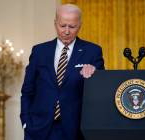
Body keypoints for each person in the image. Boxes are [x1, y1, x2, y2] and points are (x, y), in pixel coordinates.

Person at [20, 4, 105, 140]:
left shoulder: (93, 52)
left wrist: (95, 75)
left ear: (80, 25)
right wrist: (26, 122)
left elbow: (99, 94)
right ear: (55, 23)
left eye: (72, 27)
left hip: (75, 131)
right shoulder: (39, 51)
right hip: (38, 129)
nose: (66, 31)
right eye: (62, 25)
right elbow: (27, 91)